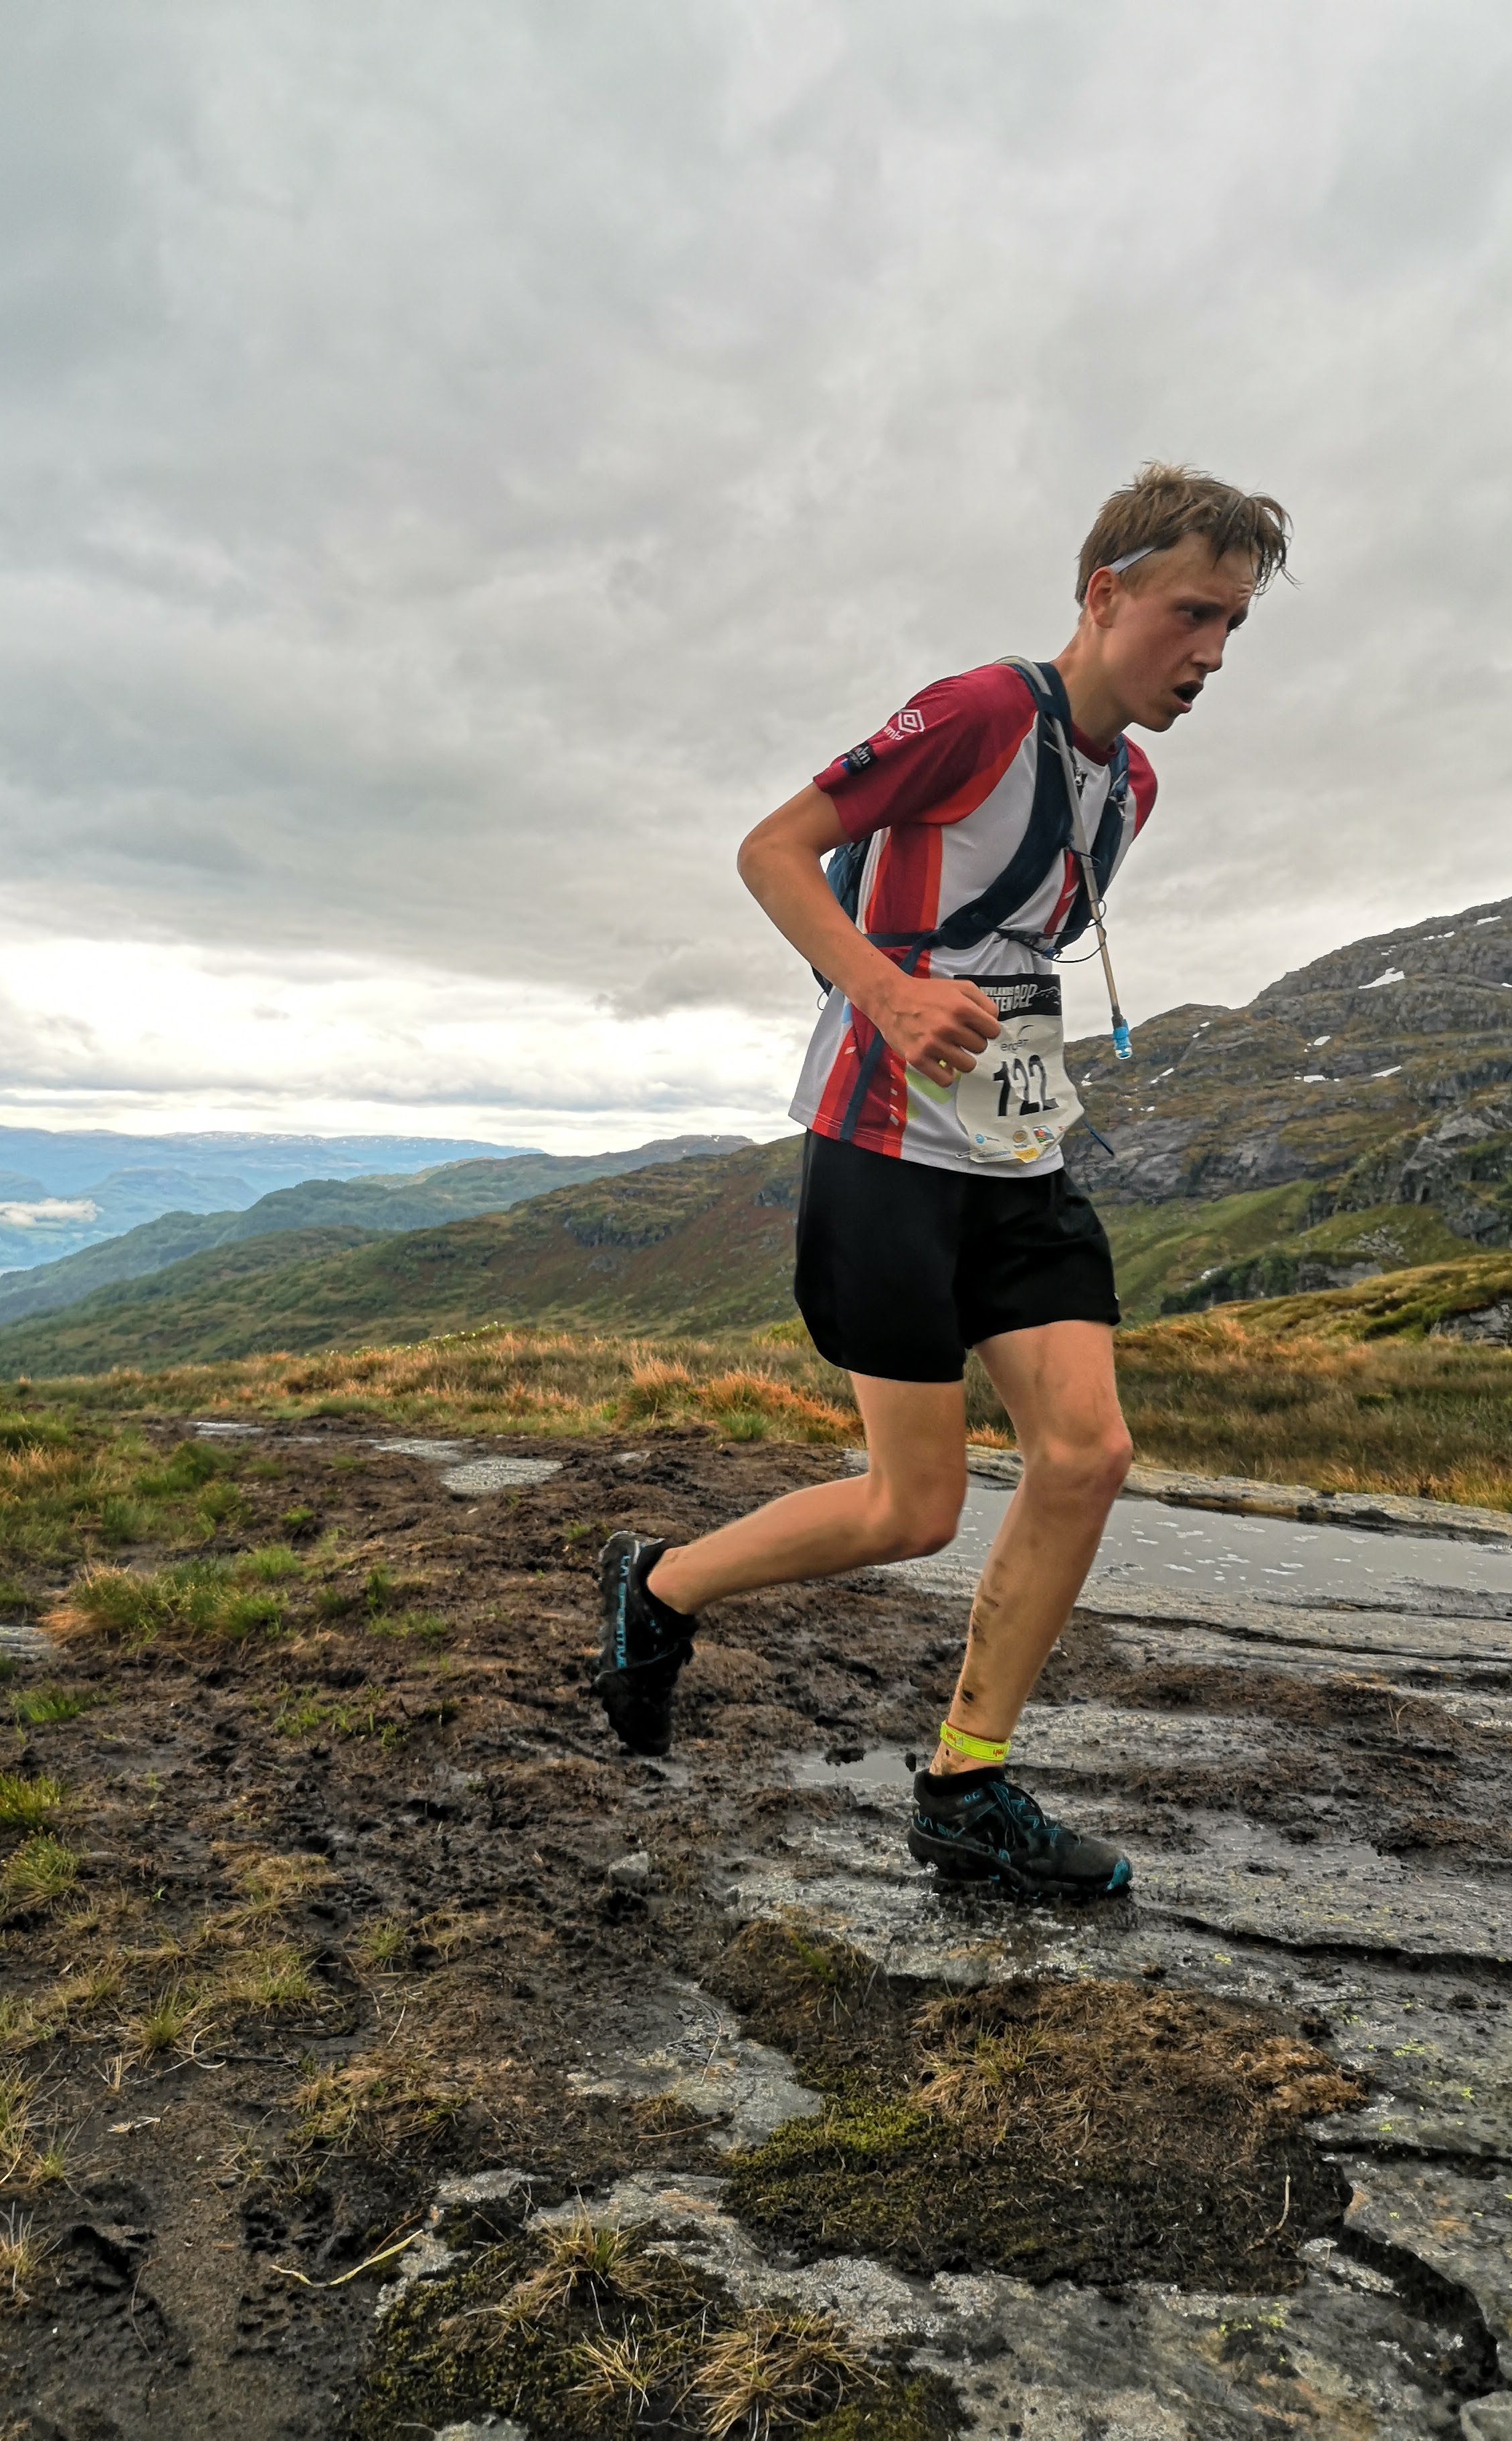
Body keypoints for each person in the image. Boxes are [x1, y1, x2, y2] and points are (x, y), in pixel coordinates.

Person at [592, 462, 1291, 1899]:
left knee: (1087, 1456)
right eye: (1193, 614)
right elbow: (775, 851)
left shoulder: (1133, 784)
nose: (1214, 654)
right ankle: (657, 1586)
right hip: (886, 1149)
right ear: (1104, 594)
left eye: (1233, 625)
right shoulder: (976, 712)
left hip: (1019, 1152)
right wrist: (889, 994)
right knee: (910, 1509)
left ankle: (966, 1788)